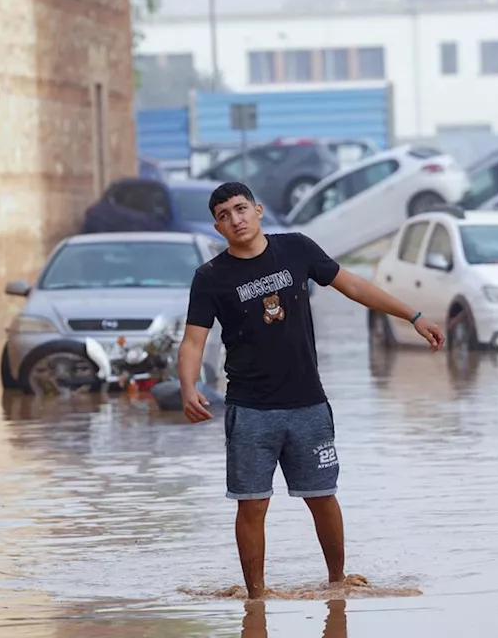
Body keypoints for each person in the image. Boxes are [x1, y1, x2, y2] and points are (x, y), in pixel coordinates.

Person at [177, 181, 445, 600]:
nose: (236, 219)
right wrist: (188, 386)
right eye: (225, 215)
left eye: (241, 208)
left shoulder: (297, 249)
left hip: (308, 405)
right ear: (218, 227)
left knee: (323, 497)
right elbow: (194, 340)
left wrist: (412, 315)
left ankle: (338, 583)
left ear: (258, 210)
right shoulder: (211, 277)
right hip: (249, 410)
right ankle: (256, 598)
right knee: (252, 505)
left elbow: (353, 285)